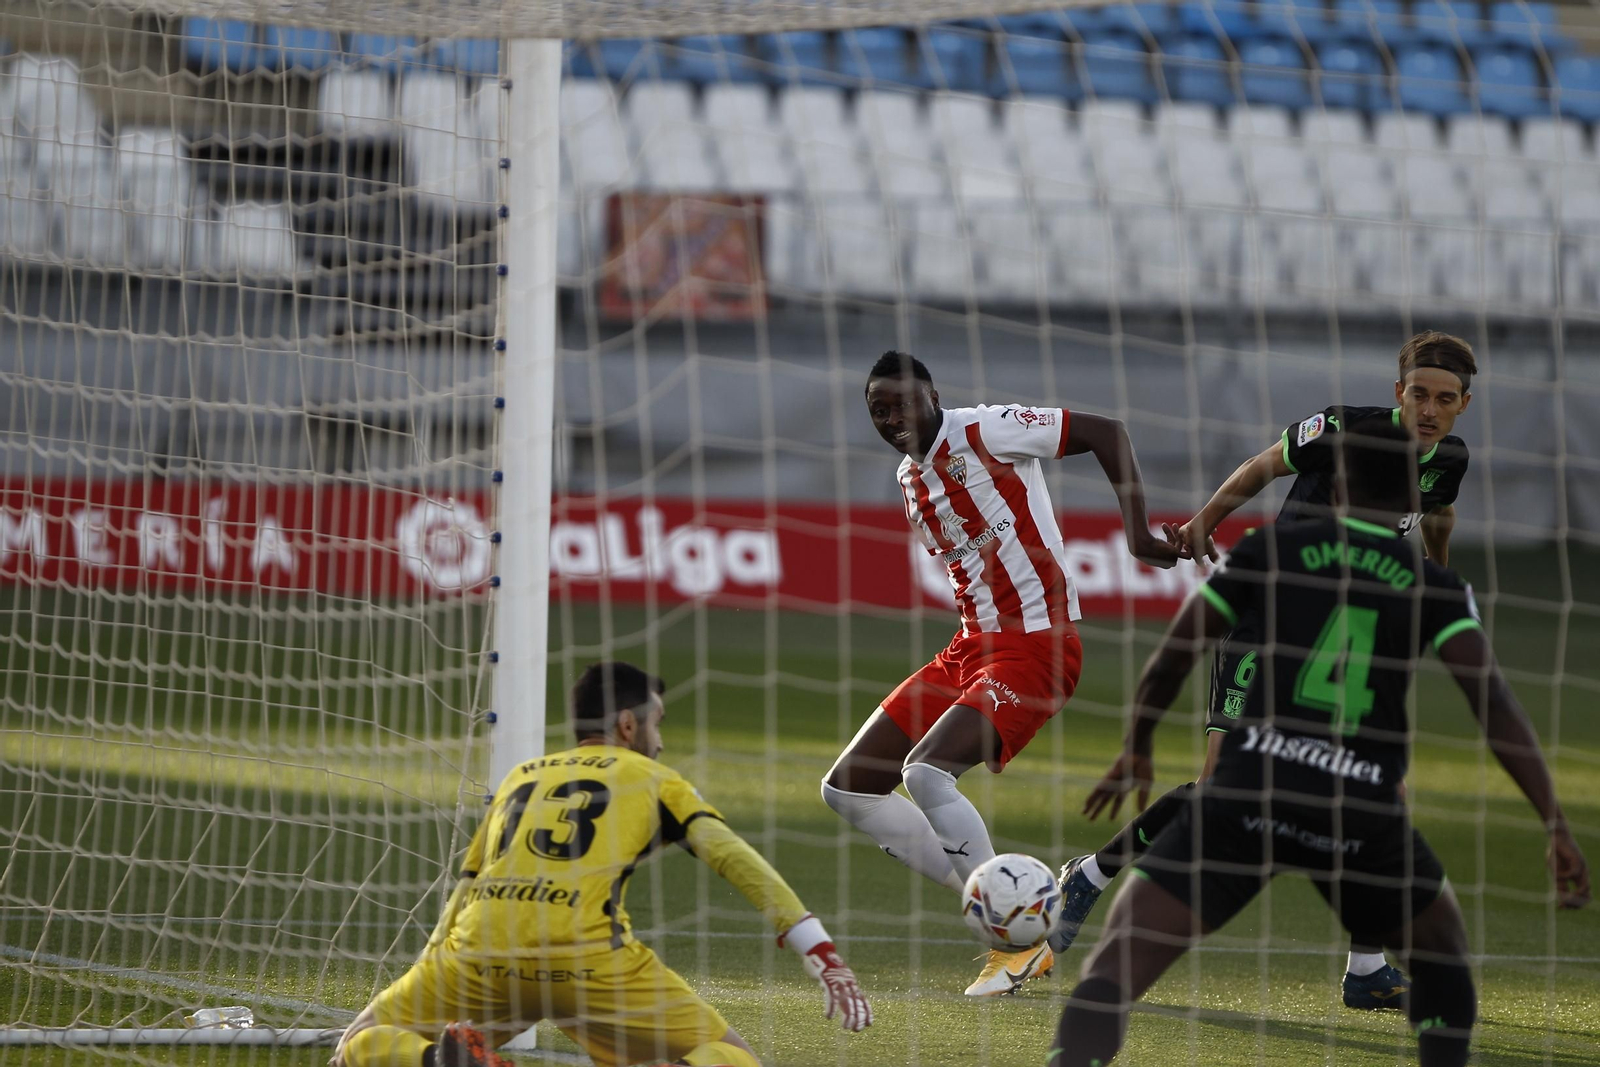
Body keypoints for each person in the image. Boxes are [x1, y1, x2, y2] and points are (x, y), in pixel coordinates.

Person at [1047, 420, 1590, 1067]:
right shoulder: (1430, 584)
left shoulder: (1272, 550)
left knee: (1117, 966)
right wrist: (1555, 822)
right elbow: (1495, 706)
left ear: (1336, 490)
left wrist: (1136, 742)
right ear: (1410, 502)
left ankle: (1363, 969)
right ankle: (1094, 871)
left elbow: (1174, 652)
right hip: (1352, 801)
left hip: (1255, 794)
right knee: (1444, 963)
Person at [1052, 330, 1477, 1008]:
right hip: (1265, 624)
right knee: (1221, 789)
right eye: (1419, 394)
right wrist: (1204, 521)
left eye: (1444, 399)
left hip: (1339, 646)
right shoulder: (1341, 428)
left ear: (1463, 404)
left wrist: (1436, 577)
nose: (1429, 410)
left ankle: (1367, 968)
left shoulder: (1449, 459)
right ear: (1399, 391)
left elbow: (1438, 512)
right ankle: (1091, 875)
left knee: (1378, 794)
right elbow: (1262, 467)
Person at [822, 350, 1180, 996]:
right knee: (848, 789)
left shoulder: (987, 428)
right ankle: (1008, 906)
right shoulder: (909, 478)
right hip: (970, 648)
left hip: (1037, 647)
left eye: (903, 404)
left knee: (925, 773)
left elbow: (1106, 432)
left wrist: (1136, 535)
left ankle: (1016, 941)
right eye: (878, 410)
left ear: (933, 396)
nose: (892, 419)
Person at [333, 662, 870, 1067]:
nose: (660, 740)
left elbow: (469, 883)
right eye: (657, 723)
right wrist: (816, 946)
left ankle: (437, 1060)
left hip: (480, 956)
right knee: (732, 1056)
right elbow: (732, 856)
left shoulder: (522, 776)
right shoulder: (653, 778)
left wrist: (431, 966)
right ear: (629, 726)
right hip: (588, 964)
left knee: (358, 1043)